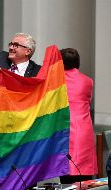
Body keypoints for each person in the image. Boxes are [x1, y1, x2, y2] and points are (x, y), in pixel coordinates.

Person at [59, 48, 97, 184]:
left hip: (64, 128)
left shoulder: (56, 81)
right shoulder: (88, 81)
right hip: (84, 129)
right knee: (85, 176)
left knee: (66, 175)